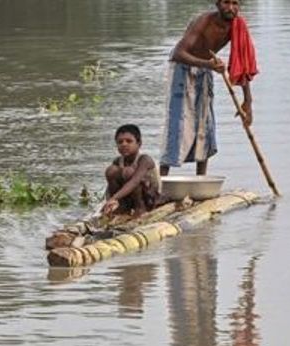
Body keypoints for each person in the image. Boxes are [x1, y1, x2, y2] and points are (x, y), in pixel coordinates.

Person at [160, 0, 258, 176]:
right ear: (218, 4)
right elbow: (178, 53)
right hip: (182, 68)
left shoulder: (238, 26)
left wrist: (248, 101)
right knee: (178, 122)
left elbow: (242, 64)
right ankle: (161, 182)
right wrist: (208, 64)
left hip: (205, 69)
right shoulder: (204, 21)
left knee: (205, 124)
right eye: (226, 3)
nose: (231, 8)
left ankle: (201, 181)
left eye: (235, 3)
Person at [102, 124, 160, 217]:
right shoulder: (118, 161)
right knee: (111, 170)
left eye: (129, 141)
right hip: (126, 198)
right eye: (120, 142)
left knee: (129, 172)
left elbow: (134, 181)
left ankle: (140, 210)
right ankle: (121, 208)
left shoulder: (145, 159)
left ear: (139, 143)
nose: (124, 144)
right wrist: (109, 201)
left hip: (148, 199)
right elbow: (111, 185)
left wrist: (114, 197)